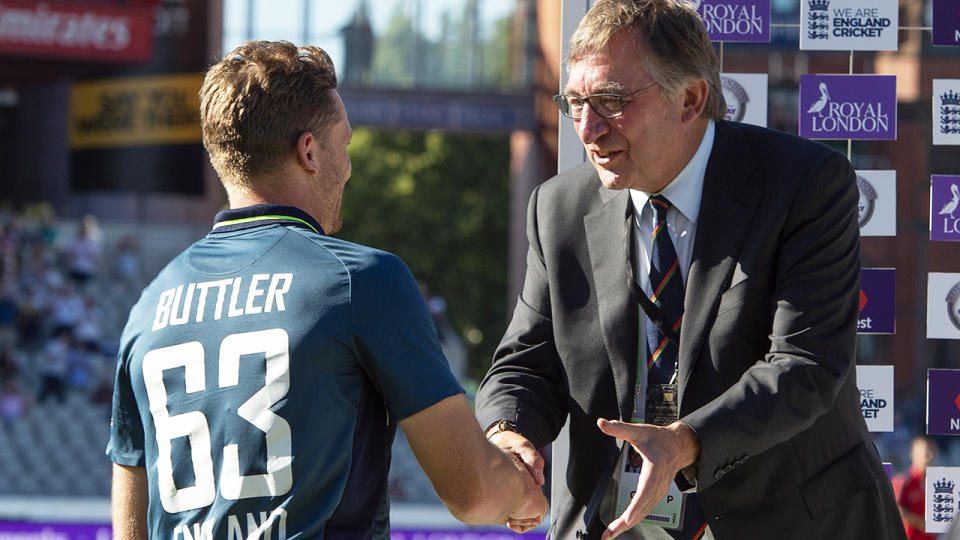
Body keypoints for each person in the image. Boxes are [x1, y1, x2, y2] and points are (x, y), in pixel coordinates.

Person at [474, 1, 904, 539]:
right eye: (576, 102)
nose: (588, 128)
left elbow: (806, 366)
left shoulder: (806, 186)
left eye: (611, 101)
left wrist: (685, 443)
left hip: (790, 522)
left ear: (691, 99)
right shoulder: (557, 208)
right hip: (616, 526)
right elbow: (527, 363)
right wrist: (509, 431)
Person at [106, 40, 547, 539]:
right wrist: (521, 489)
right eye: (346, 144)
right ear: (310, 152)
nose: (350, 166)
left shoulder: (149, 307)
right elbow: (472, 491)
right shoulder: (360, 281)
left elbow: (130, 528)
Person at [893, 436, 936, 540]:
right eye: (925, 451)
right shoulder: (903, 480)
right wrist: (921, 523)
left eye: (931, 450)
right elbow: (896, 509)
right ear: (913, 454)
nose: (929, 455)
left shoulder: (938, 483)